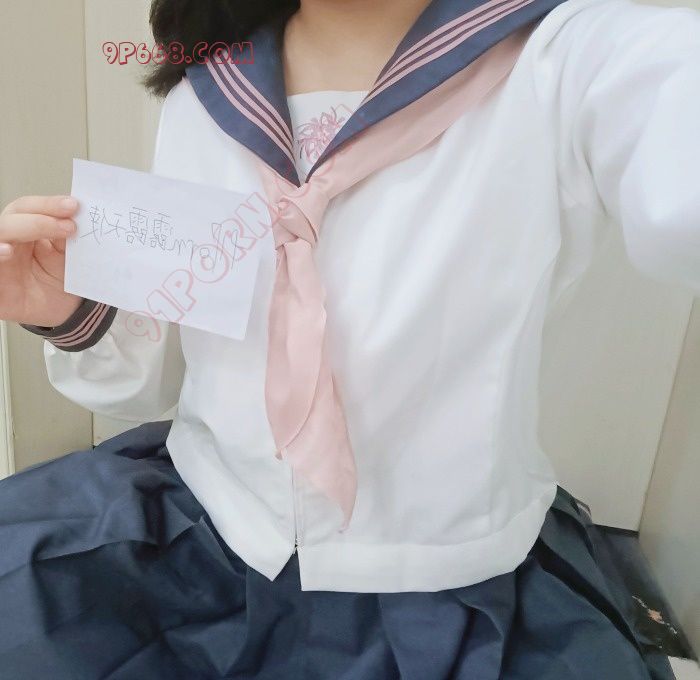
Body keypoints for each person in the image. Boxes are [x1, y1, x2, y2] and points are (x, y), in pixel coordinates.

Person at [0, 0, 698, 676]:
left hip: (442, 581)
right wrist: (72, 311)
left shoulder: (561, 60)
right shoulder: (206, 92)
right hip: (202, 537)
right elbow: (172, 367)